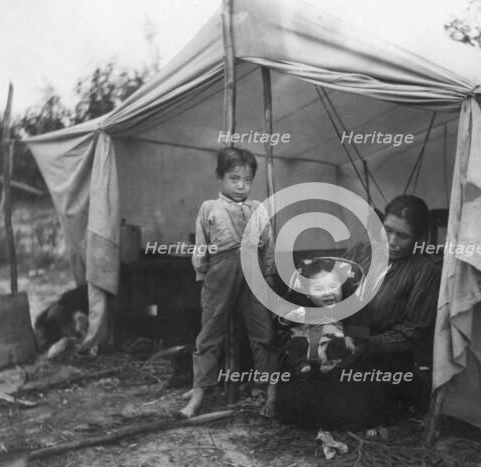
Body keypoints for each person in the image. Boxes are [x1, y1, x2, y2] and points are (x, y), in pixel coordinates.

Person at [275, 195, 441, 430]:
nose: (391, 241)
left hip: (383, 357)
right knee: (301, 371)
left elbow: (413, 331)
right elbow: (330, 283)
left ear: (418, 238)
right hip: (339, 339)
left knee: (349, 406)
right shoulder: (363, 251)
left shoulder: (425, 270)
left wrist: (364, 344)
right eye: (388, 230)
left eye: (402, 236)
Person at [180, 147, 278, 418]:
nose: (241, 186)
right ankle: (199, 391)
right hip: (220, 272)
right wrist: (203, 274)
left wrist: (268, 275)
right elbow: (201, 247)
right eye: (234, 178)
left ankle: (270, 389)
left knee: (263, 331)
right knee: (210, 332)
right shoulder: (210, 208)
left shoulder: (258, 208)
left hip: (254, 272)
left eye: (247, 180)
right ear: (219, 177)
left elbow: (268, 245)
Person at [280, 258, 358, 377]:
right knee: (295, 345)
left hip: (331, 338)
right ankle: (300, 365)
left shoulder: (345, 307)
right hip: (306, 339)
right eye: (318, 289)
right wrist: (288, 318)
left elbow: (356, 321)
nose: (327, 292)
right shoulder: (303, 307)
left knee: (340, 345)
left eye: (333, 286)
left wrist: (350, 337)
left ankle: (333, 361)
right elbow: (284, 320)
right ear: (307, 294)